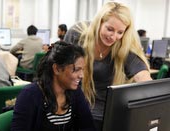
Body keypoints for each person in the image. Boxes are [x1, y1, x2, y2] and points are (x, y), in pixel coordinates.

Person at [64, 2, 152, 131]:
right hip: (74, 109)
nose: (113, 36)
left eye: (120, 32)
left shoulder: (123, 44)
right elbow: (59, 69)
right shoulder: (78, 34)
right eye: (110, 29)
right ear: (99, 22)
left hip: (105, 115)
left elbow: (143, 76)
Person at [11, 41, 96, 131]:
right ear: (57, 69)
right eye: (77, 69)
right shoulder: (30, 95)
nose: (81, 75)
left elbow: (88, 127)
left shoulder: (75, 93)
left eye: (82, 70)